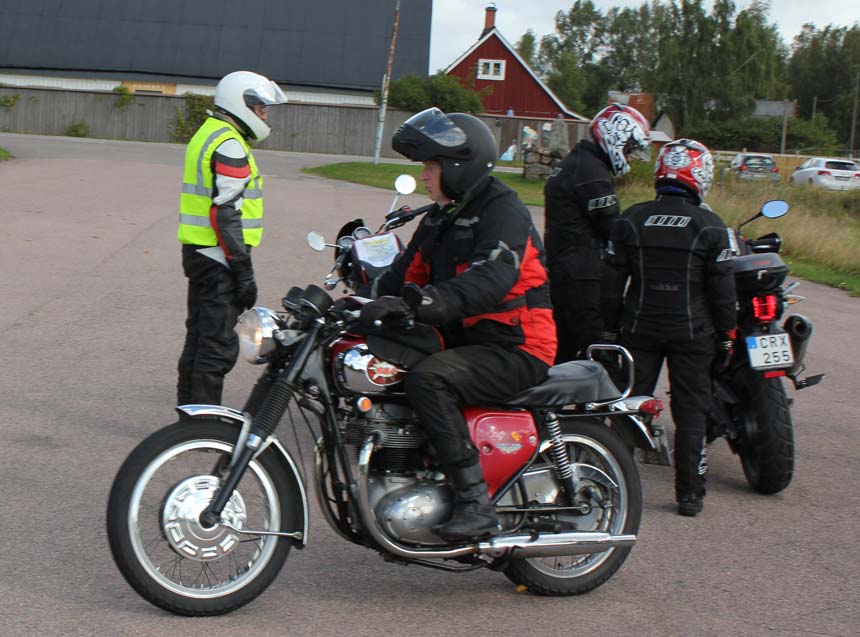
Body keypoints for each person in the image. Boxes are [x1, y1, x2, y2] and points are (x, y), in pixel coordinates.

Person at [358, 108, 557, 541]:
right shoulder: (438, 219)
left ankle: (475, 502)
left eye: (432, 166)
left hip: (516, 345)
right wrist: (347, 306)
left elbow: (494, 275)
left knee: (429, 381)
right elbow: (400, 278)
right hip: (467, 341)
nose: (426, 176)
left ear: (459, 167)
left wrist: (431, 301)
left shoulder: (503, 210)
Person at [604, 138, 737, 517]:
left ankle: (613, 486)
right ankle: (690, 495)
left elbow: (611, 287)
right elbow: (723, 293)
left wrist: (609, 332)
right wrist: (727, 335)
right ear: (700, 175)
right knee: (691, 412)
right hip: (693, 333)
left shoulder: (631, 218)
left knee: (627, 408)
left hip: (638, 328)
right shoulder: (712, 226)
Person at [176, 70, 287, 406]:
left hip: (200, 251)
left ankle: (191, 414)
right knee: (217, 345)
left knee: (198, 339)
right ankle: (205, 425)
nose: (265, 116)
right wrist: (243, 270)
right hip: (218, 257)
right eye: (261, 108)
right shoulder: (229, 144)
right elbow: (225, 213)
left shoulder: (209, 132)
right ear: (241, 104)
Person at [543, 103, 651, 363]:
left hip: (566, 268)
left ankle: (555, 398)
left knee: (565, 346)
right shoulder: (591, 172)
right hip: (580, 275)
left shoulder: (580, 162)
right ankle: (594, 400)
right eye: (629, 149)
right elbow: (613, 227)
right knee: (596, 347)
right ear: (615, 136)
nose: (630, 156)